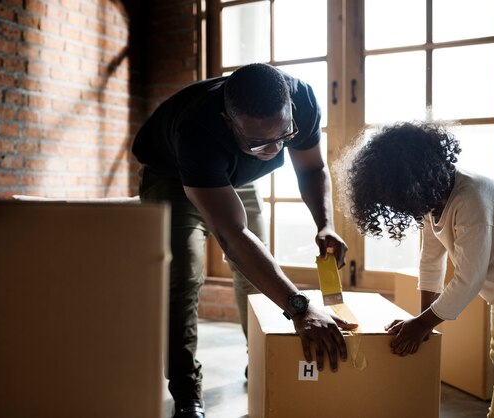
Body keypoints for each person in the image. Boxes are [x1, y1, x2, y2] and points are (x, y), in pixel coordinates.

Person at [132, 63, 357, 418]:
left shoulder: (303, 99)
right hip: (173, 174)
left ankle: (262, 359)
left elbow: (312, 168)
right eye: (258, 141)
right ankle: (187, 394)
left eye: (283, 135)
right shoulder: (197, 130)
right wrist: (299, 308)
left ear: (290, 109)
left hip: (234, 175)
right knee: (182, 279)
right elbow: (232, 235)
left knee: (256, 274)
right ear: (227, 121)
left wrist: (325, 224)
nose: (273, 149)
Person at [338, 121, 494, 418]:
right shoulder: (435, 200)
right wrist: (422, 321)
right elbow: (431, 261)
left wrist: (421, 325)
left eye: (394, 197)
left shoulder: (472, 201)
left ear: (410, 183)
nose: (396, 207)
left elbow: (469, 278)